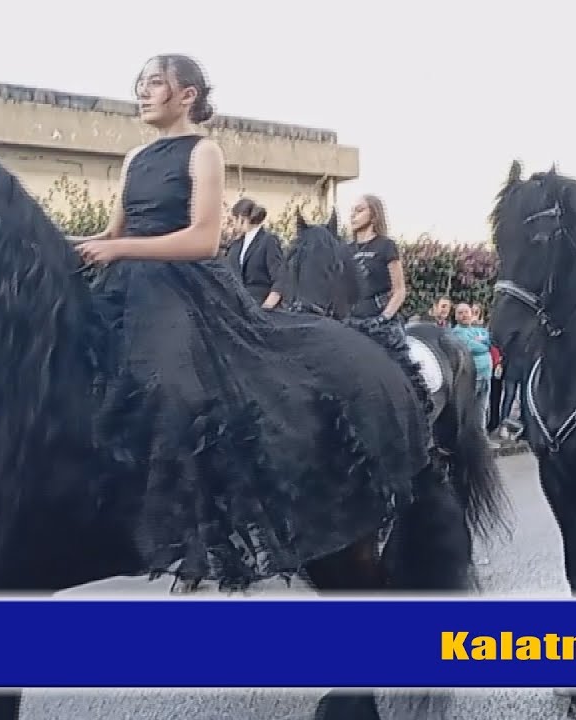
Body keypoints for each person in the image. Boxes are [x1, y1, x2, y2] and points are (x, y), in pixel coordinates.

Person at [73, 55, 427, 590]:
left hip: (183, 288)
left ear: (186, 95)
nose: (142, 93)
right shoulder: (134, 158)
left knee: (177, 387)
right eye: (140, 84)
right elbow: (111, 228)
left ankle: (196, 519)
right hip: (125, 287)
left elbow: (203, 238)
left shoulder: (203, 151)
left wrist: (117, 248)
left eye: (153, 84)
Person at [347, 194, 407, 322]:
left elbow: (399, 290)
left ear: (374, 215)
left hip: (378, 318)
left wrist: (384, 317)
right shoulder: (345, 249)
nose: (353, 215)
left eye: (359, 210)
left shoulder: (386, 246)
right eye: (352, 211)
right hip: (350, 319)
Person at [221, 197, 284, 308]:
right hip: (237, 306)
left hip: (261, 305)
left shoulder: (268, 241)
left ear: (241, 218)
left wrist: (268, 306)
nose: (233, 225)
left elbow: (280, 278)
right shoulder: (236, 245)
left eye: (233, 220)